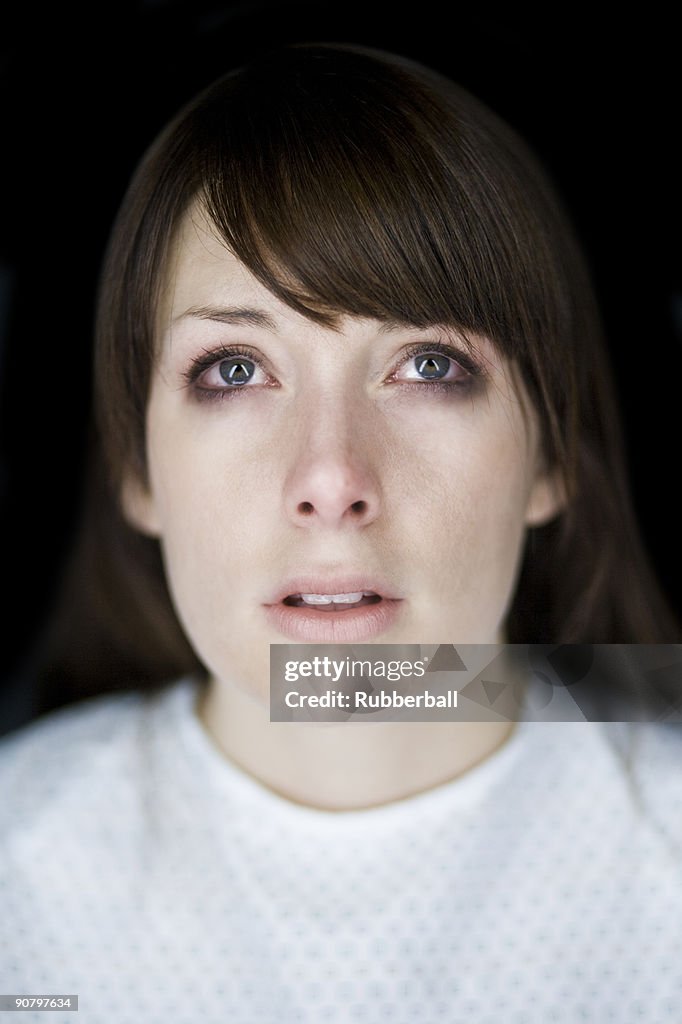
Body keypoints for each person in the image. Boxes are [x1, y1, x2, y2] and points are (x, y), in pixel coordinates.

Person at [1, 42, 680, 1023]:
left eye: (430, 367)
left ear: (550, 458)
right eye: (233, 369)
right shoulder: (19, 873)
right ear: (137, 468)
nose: (330, 479)